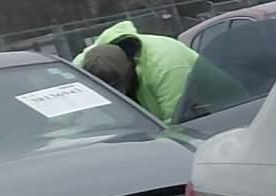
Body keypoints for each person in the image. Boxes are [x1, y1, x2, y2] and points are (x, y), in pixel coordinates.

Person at [74, 19, 238, 124]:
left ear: (131, 66)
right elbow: (73, 119)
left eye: (118, 86)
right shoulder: (80, 67)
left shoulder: (167, 65)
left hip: (226, 111)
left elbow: (177, 124)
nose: (118, 93)